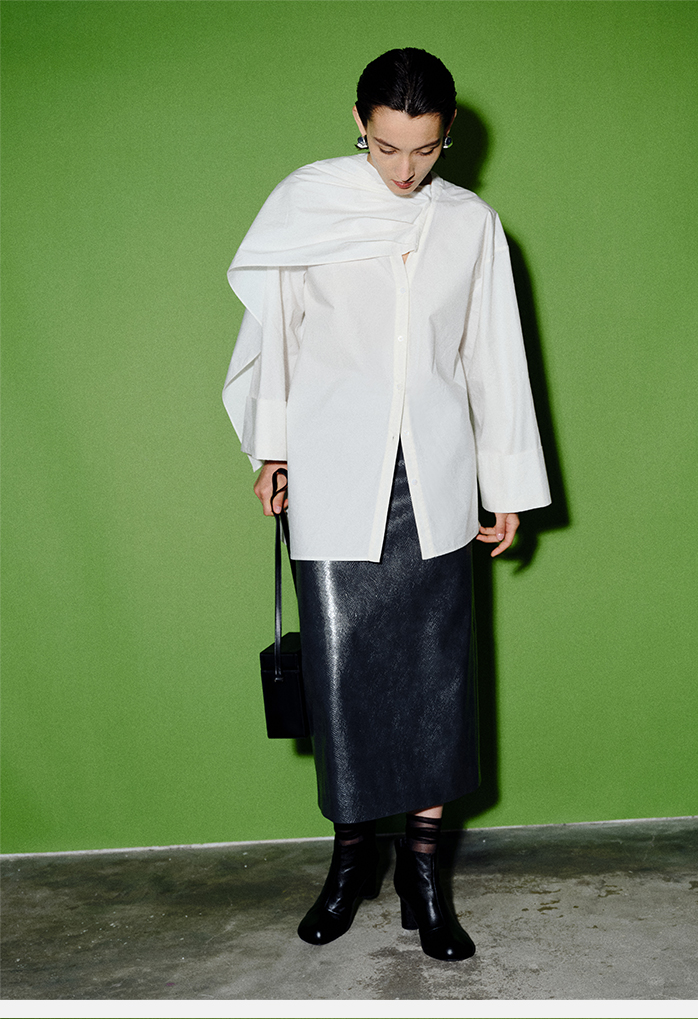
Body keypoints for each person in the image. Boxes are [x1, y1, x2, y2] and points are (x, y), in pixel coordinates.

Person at [223, 48, 550, 962]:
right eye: (386, 146)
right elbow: (278, 337)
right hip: (334, 473)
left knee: (437, 679)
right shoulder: (309, 202)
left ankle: (423, 876)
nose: (404, 169)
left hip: (437, 479)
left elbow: (493, 355)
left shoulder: (472, 224)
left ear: (449, 136)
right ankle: (349, 863)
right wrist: (273, 446)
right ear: (358, 124)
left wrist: (507, 484)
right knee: (343, 678)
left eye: (425, 149)